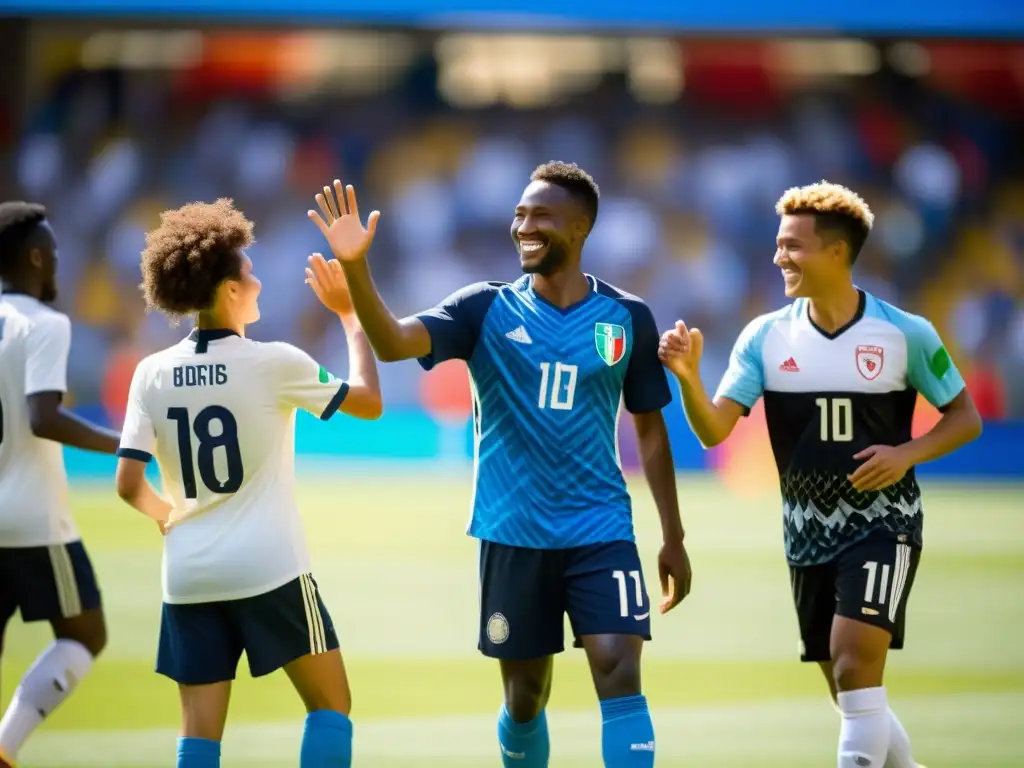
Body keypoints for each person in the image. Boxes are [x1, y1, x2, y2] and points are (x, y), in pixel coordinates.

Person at [306, 164, 692, 768]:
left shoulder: (627, 319)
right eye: (519, 215)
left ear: (582, 227)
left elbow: (649, 428)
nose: (523, 227)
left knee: (619, 671)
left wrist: (673, 535)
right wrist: (356, 265)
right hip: (514, 535)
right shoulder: (482, 309)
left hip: (602, 531)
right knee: (525, 698)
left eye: (541, 216)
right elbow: (392, 343)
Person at [659, 181, 982, 768]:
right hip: (806, 535)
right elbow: (714, 431)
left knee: (854, 660)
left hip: (885, 525)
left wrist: (905, 454)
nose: (779, 256)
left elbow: (966, 419)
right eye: (779, 244)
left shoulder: (904, 333)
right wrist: (687, 377)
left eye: (792, 246)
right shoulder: (765, 337)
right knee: (850, 688)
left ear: (836, 252)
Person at [114, 198, 382, 768]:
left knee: (200, 735)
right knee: (330, 704)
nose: (257, 280)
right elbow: (370, 402)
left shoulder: (150, 372)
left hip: (188, 576)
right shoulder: (274, 361)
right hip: (270, 569)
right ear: (229, 289)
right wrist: (350, 314)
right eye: (249, 272)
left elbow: (127, 485)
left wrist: (170, 518)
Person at [0, 202, 119, 768]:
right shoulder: (46, 324)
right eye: (51, 254)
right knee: (83, 633)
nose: (55, 265)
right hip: (34, 518)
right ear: (33, 257)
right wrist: (124, 445)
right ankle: (6, 744)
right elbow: (43, 416)